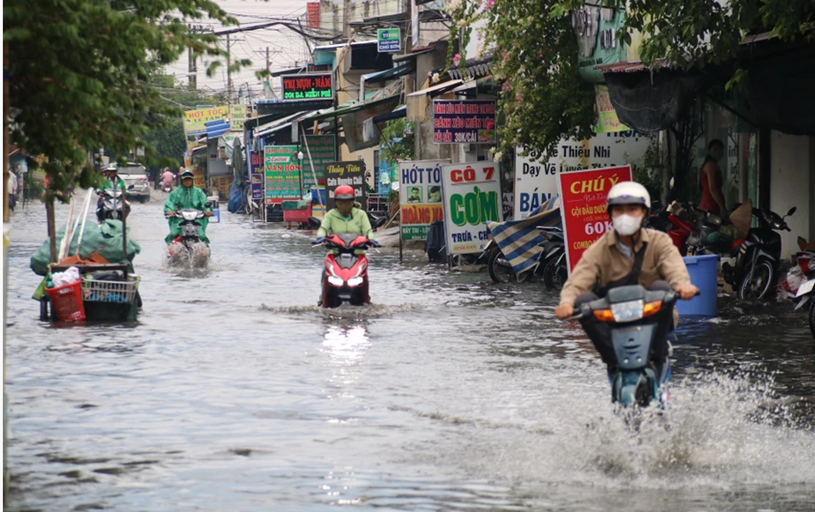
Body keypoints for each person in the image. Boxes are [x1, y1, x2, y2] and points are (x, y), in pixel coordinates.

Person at [554, 181, 698, 376]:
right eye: (619, 210)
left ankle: (657, 356)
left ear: (644, 213)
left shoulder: (659, 241)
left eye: (632, 209)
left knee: (662, 287)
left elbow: (673, 266)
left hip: (653, 317)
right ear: (610, 214)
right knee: (583, 301)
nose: (625, 215)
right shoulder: (600, 248)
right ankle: (613, 360)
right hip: (615, 318)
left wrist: (683, 286)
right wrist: (567, 303)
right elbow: (579, 279)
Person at [316, 185, 380, 303]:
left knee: (363, 273)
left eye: (348, 201)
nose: (344, 204)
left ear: (353, 201)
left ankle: (366, 297)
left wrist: (371, 240)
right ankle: (323, 296)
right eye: (341, 201)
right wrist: (320, 237)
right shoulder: (330, 215)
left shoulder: (361, 215)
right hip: (335, 253)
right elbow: (323, 228)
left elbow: (368, 231)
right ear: (336, 202)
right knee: (326, 270)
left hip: (357, 253)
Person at [164, 169, 213, 245]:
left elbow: (205, 202)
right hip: (179, 219)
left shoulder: (198, 192)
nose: (187, 181)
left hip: (197, 220)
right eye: (185, 179)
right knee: (174, 233)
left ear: (192, 180)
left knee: (202, 236)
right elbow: (169, 203)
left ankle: (205, 253)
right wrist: (170, 210)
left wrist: (207, 210)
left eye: (189, 179)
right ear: (181, 180)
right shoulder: (175, 193)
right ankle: (170, 250)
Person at [699, 139, 726, 215]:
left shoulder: (713, 165)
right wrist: (721, 206)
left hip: (714, 204)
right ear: (712, 150)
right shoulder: (710, 165)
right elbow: (712, 188)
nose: (721, 154)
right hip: (710, 205)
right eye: (720, 151)